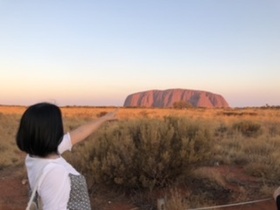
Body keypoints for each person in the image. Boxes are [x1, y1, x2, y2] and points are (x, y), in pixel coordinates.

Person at [16, 102, 118, 210]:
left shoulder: (34, 156)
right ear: (52, 132)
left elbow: (78, 133)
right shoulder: (54, 172)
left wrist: (104, 118)